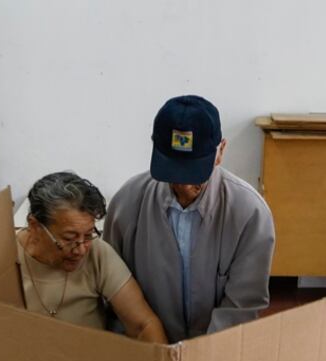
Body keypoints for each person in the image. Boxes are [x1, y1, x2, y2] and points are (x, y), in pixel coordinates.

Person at [103, 95, 275, 342]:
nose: (183, 185)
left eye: (195, 173)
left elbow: (241, 306)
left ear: (221, 151)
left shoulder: (249, 214)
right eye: (173, 171)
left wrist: (202, 357)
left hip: (216, 349)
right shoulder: (127, 205)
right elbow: (115, 292)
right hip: (146, 347)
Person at [16, 171, 168, 344]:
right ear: (34, 226)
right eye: (69, 238)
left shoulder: (97, 253)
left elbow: (143, 325)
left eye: (88, 235)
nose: (81, 250)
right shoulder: (5, 258)